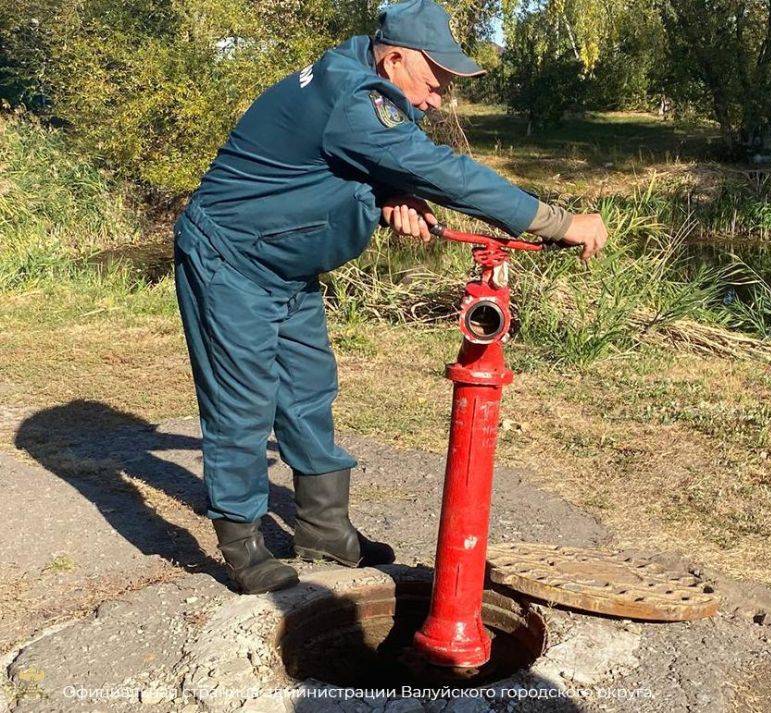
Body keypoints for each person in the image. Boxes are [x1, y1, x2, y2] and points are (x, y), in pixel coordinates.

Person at [173, 0, 609, 594]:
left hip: (285, 261)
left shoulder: (353, 75)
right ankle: (243, 541)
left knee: (308, 389)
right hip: (231, 258)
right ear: (396, 56)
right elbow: (446, 172)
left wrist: (383, 194)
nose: (435, 101)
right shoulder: (355, 97)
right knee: (242, 401)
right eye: (434, 82)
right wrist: (556, 221)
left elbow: (323, 168)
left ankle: (323, 528)